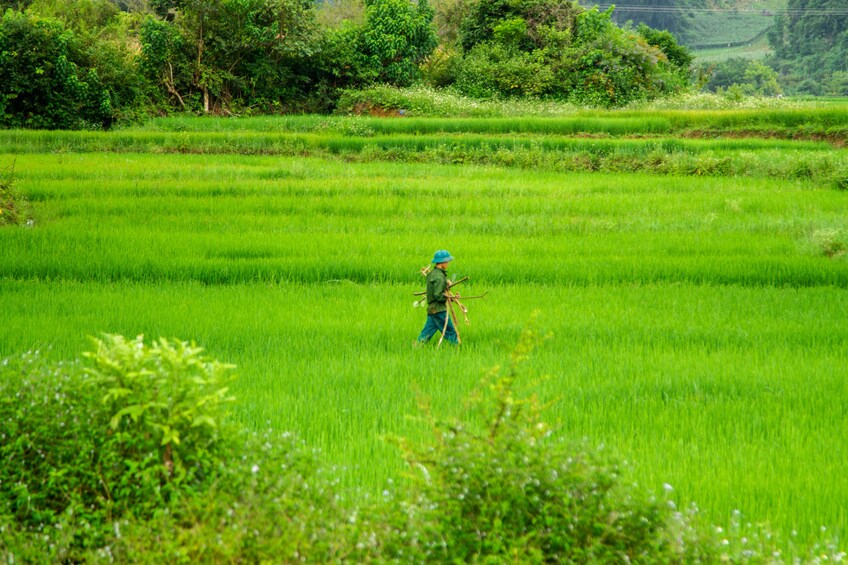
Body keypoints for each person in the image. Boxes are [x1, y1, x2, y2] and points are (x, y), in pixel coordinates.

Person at [416, 249, 459, 346]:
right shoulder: (439, 277)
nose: (448, 263)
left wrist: (450, 293)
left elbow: (437, 290)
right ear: (441, 262)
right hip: (439, 310)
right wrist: (450, 298)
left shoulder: (433, 273)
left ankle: (417, 347)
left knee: (426, 333)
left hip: (432, 309)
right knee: (451, 332)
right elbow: (439, 295)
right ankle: (459, 350)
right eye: (446, 261)